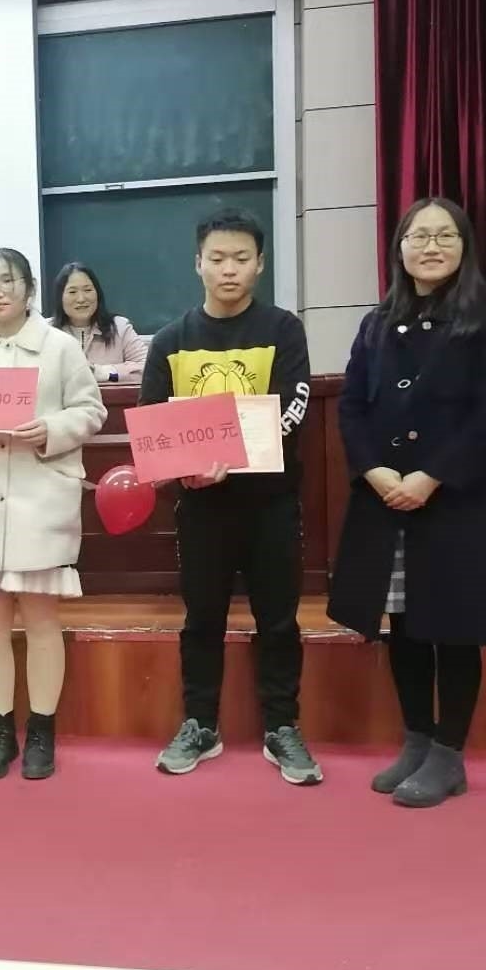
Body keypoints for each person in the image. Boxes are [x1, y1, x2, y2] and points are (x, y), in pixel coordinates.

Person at [327, 197, 486, 808]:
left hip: (454, 498)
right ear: (400, 248)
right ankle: (416, 739)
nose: (431, 246)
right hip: (386, 497)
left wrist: (431, 476)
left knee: (454, 628)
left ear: (464, 247)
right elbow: (351, 405)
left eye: (444, 236)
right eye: (419, 236)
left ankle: (448, 755)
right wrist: (375, 470)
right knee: (403, 625)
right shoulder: (377, 322)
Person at [139, 209, 321, 786]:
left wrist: (231, 457)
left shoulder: (283, 330)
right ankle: (200, 723)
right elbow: (154, 425)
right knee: (201, 620)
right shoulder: (170, 341)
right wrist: (185, 469)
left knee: (279, 620)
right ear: (198, 264)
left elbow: (294, 407)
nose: (229, 269)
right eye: (217, 258)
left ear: (260, 264)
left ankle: (282, 726)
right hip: (202, 509)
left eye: (241, 258)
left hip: (271, 504)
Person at [0, 248, 106, 780]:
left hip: (40, 497)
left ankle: (43, 732)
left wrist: (52, 428)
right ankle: (0, 732)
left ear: (29, 288)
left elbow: (91, 410)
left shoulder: (58, 347)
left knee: (41, 619)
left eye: (7, 280)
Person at [48, 263, 149, 383]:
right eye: (72, 292)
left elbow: (147, 368)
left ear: (97, 294)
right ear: (60, 297)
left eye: (88, 290)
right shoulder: (46, 331)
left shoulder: (119, 328)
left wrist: (104, 373)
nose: (81, 299)